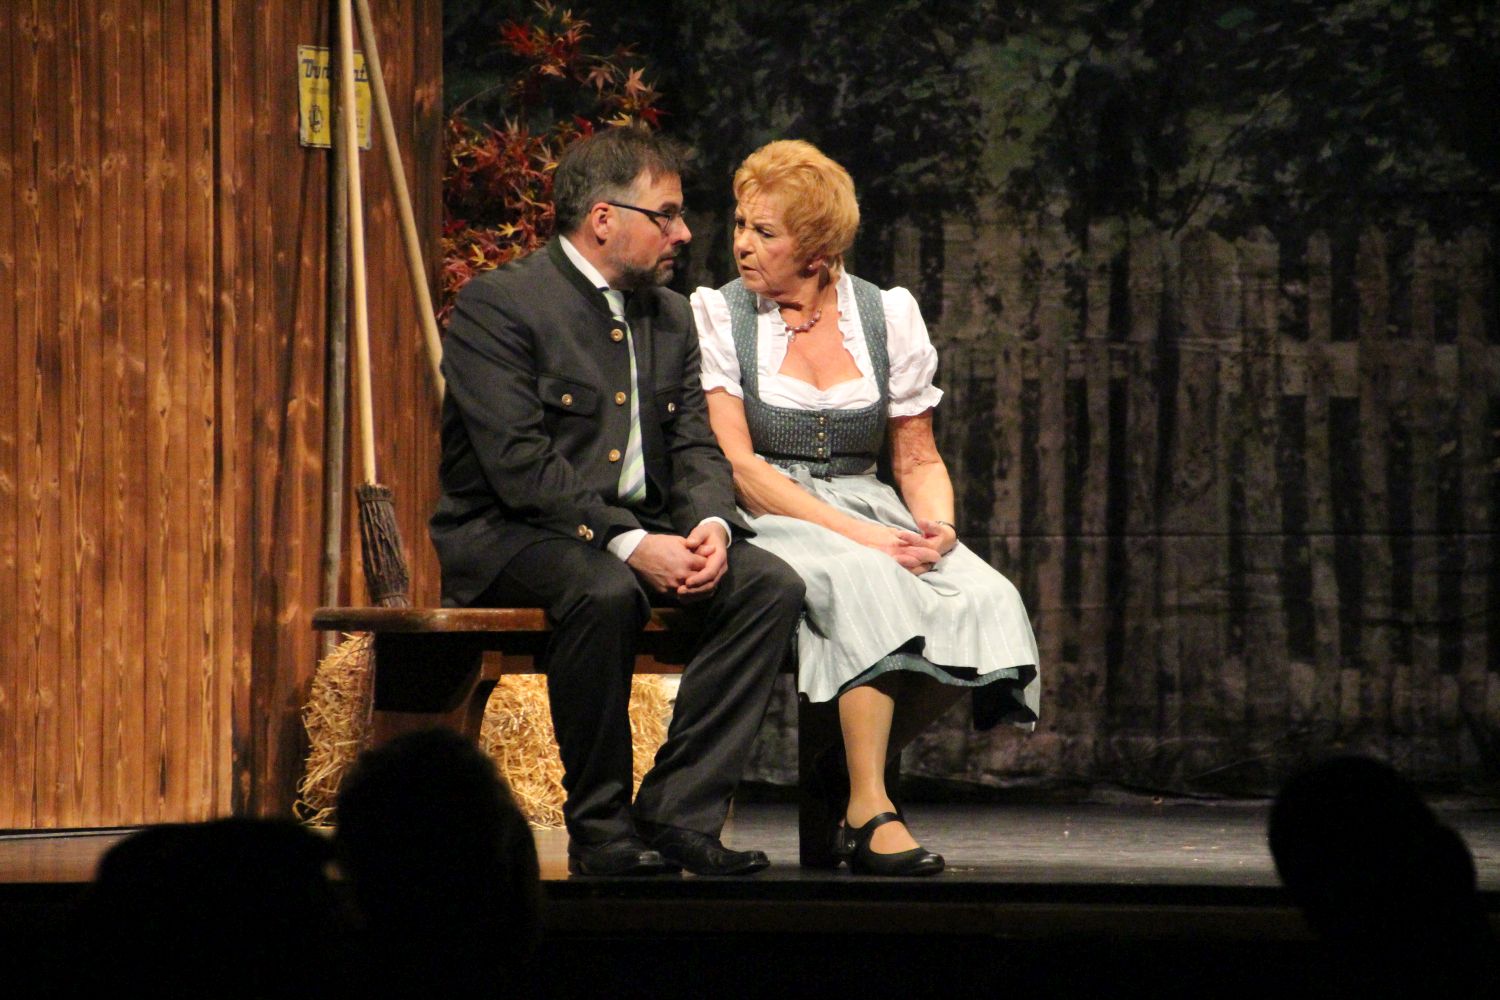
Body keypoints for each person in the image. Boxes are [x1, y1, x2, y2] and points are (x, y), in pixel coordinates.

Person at [431, 126, 805, 877]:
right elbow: (519, 464)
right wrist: (628, 542)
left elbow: (695, 444)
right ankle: (601, 828)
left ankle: (678, 812)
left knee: (769, 585)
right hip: (513, 534)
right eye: (665, 214)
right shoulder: (501, 306)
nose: (684, 233)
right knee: (603, 591)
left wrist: (709, 525)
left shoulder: (669, 315)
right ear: (603, 219)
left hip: (642, 530)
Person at [691, 140, 1040, 876]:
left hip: (868, 500)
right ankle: (871, 809)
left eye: (765, 232)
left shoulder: (886, 315)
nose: (742, 243)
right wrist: (862, 537)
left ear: (817, 252)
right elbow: (739, 467)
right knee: (867, 578)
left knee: (987, 597)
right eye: (741, 224)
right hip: (775, 510)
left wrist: (938, 530)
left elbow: (917, 458)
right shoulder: (721, 314)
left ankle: (841, 776)